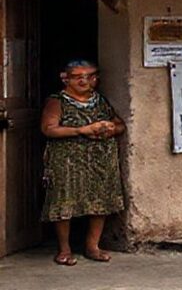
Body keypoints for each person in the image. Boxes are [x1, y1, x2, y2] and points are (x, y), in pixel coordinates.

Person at [40, 60, 126, 266]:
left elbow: (120, 124)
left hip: (100, 160)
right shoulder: (57, 101)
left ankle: (92, 246)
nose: (84, 81)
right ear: (65, 79)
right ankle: (64, 249)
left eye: (90, 76)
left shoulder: (99, 100)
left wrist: (110, 128)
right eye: (78, 77)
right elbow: (49, 128)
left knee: (99, 201)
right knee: (64, 201)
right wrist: (81, 130)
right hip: (68, 160)